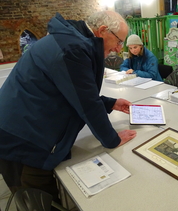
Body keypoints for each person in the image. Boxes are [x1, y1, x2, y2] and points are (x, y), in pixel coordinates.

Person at [0, 11, 137, 204]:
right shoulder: (73, 48)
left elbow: (72, 91)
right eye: (118, 41)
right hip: (23, 139)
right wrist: (112, 139)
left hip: (21, 126)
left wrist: (110, 103)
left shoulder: (71, 40)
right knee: (39, 200)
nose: (118, 47)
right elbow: (87, 104)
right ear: (103, 30)